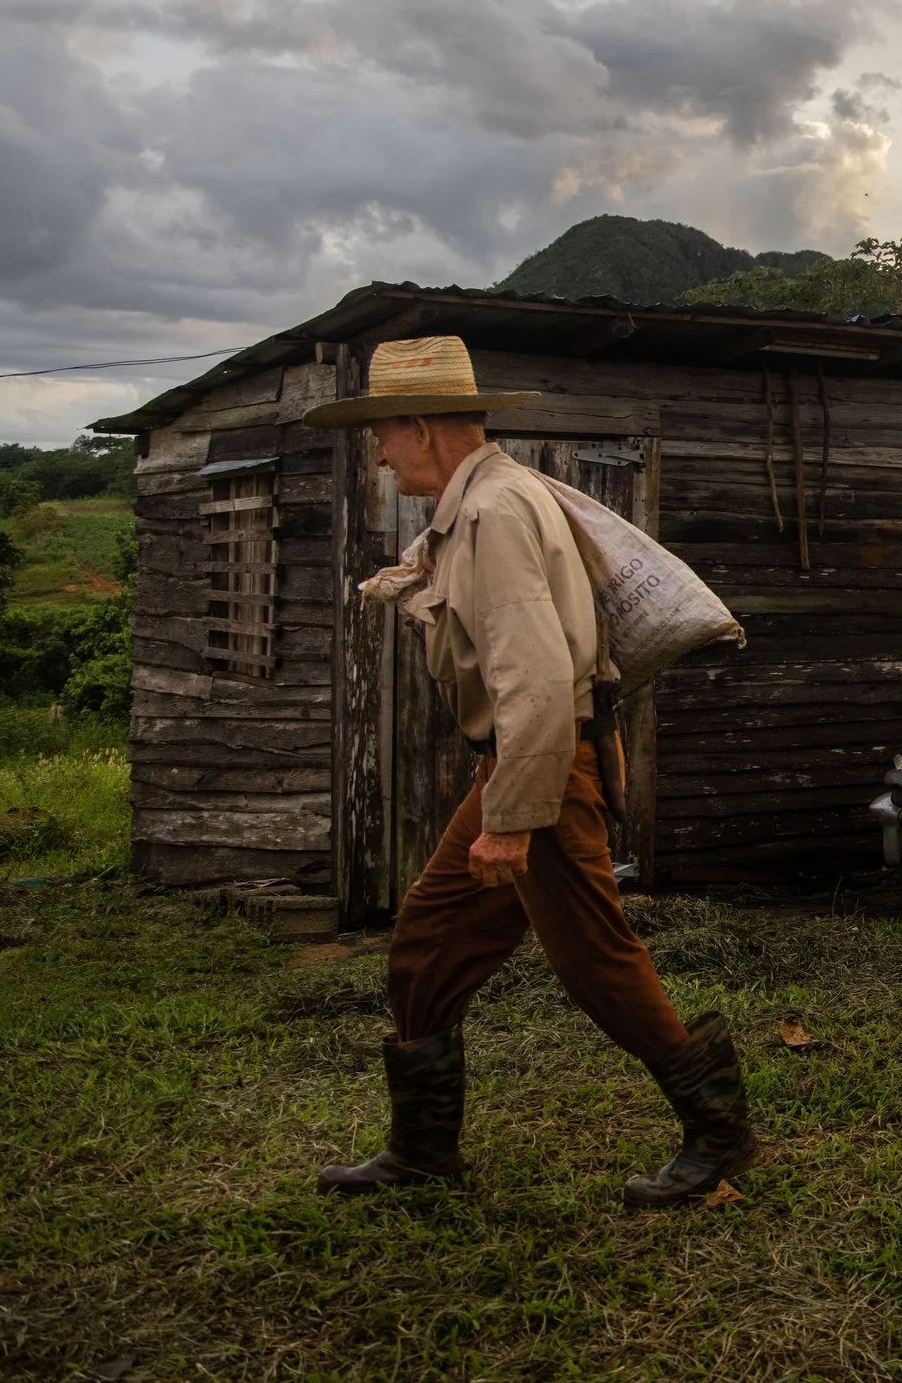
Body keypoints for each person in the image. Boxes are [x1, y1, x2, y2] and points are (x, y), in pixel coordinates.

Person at [302, 336, 754, 1207]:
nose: (380, 453)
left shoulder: (496, 513)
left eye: (384, 435)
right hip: (521, 770)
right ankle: (422, 1153)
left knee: (598, 962)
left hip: (537, 775)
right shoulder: (479, 507)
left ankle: (720, 1139)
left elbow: (538, 678)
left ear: (424, 430)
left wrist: (510, 818)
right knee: (428, 942)